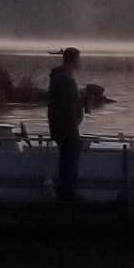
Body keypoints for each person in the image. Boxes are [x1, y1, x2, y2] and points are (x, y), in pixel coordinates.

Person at [46, 46, 85, 208]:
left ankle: (66, 192)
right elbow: (67, 106)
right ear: (73, 60)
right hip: (66, 127)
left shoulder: (60, 77)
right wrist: (74, 123)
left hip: (60, 126)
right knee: (70, 159)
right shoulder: (66, 79)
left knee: (67, 159)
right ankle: (68, 194)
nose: (80, 62)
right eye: (79, 59)